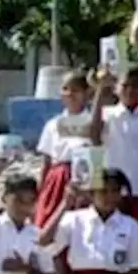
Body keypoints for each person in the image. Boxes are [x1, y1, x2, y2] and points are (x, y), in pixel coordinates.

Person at [90, 68, 138, 224]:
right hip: (112, 190)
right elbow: (94, 136)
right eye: (125, 85)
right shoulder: (107, 114)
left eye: (134, 86)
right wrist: (100, 88)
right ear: (116, 88)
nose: (129, 90)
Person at [34, 72, 93, 229]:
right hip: (58, 178)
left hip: (83, 177)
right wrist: (41, 192)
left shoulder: (95, 122)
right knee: (49, 223)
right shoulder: (53, 124)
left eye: (75, 90)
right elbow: (46, 162)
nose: (70, 94)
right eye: (65, 89)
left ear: (87, 93)